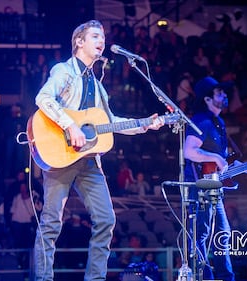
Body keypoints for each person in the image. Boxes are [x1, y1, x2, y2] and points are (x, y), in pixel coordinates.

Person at [33, 19, 164, 281]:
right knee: (50, 223)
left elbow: (109, 122)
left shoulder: (97, 83)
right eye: (95, 36)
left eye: (102, 37)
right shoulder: (64, 71)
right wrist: (71, 126)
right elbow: (43, 98)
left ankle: (95, 279)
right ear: (79, 42)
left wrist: (144, 125)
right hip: (60, 155)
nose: (101, 41)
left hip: (89, 161)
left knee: (106, 220)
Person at [183, 76, 247, 281]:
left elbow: (225, 164)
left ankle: (226, 277)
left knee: (222, 233)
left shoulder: (218, 122)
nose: (225, 95)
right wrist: (215, 157)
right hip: (201, 186)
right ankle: (205, 276)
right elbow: (189, 151)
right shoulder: (201, 121)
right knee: (202, 234)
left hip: (214, 187)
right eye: (219, 93)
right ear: (207, 100)